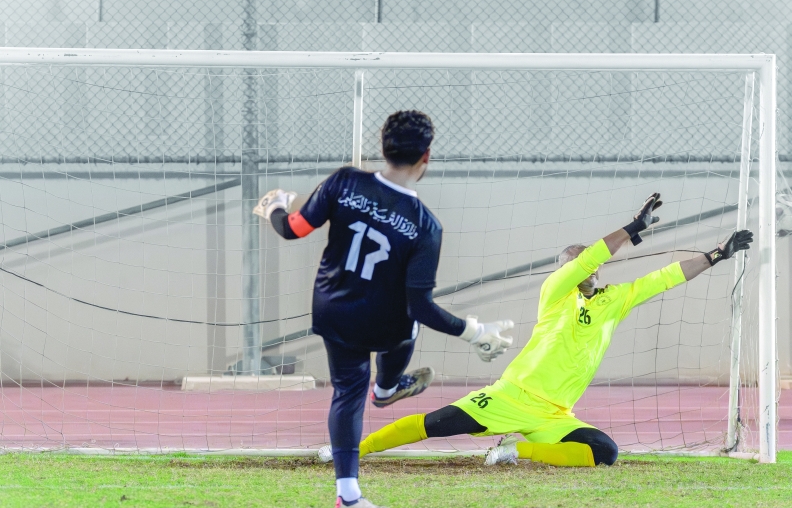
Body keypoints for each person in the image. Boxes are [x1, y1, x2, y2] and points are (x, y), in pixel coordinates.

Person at [320, 192, 753, 468]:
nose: (587, 266)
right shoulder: (555, 292)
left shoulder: (611, 301)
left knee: (604, 452)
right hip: (513, 397)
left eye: (590, 263)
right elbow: (586, 259)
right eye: (576, 261)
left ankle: (516, 451)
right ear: (564, 268)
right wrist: (633, 228)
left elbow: (664, 278)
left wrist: (717, 254)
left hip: (554, 413)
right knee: (437, 424)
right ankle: (352, 451)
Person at [255, 110, 514, 508]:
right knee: (406, 325)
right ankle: (389, 386)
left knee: (347, 394)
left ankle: (349, 497)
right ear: (426, 157)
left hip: (334, 311)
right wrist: (474, 331)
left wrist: (273, 204)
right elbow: (420, 306)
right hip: (385, 323)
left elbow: (294, 229)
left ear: (383, 147)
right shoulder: (426, 226)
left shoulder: (344, 181)